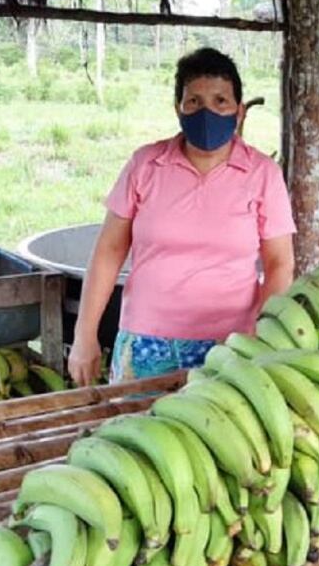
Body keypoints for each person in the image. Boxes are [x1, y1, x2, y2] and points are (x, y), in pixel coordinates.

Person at [68, 47, 296, 386]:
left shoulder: (262, 174)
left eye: (221, 101)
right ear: (178, 109)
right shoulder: (145, 165)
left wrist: (256, 337)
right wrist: (85, 336)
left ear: (240, 112)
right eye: (194, 102)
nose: (207, 112)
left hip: (232, 345)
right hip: (145, 343)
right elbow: (108, 252)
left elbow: (279, 264)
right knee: (133, 436)